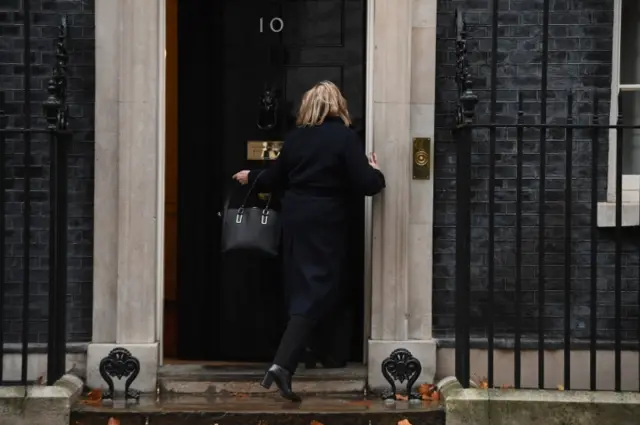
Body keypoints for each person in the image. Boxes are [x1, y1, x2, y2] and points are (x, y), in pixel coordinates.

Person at [232, 81, 385, 402]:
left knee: (307, 286)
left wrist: (252, 176)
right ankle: (283, 364)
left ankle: (318, 354)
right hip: (326, 221)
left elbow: (274, 179)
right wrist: (376, 171)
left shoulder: (296, 138)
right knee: (317, 288)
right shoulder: (344, 138)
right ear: (337, 106)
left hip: (296, 219)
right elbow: (367, 185)